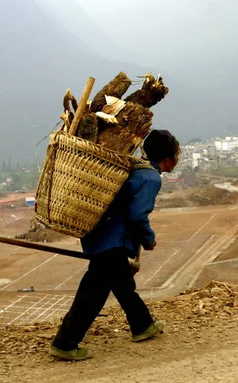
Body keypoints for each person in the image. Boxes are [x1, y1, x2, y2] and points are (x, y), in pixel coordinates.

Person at [50, 130, 180, 361]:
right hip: (113, 240)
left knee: (122, 285)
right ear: (168, 158)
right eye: (177, 153)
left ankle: (142, 326)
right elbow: (137, 215)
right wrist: (148, 239)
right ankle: (65, 343)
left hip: (101, 236)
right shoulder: (150, 178)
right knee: (92, 294)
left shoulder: (137, 169)